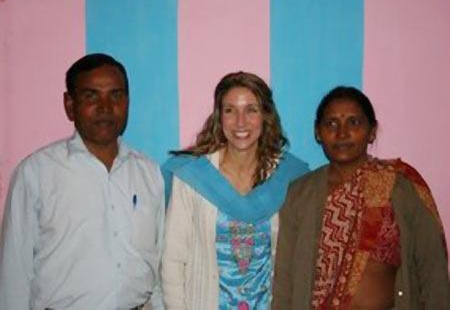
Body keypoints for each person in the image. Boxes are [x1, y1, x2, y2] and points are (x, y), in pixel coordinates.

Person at [0, 53, 165, 310]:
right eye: (91, 96)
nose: (105, 107)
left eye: (115, 95)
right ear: (69, 104)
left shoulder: (149, 172)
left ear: (127, 102)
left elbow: (158, 265)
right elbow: (14, 273)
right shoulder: (36, 173)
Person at [272, 86, 450, 309]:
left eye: (354, 122)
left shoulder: (401, 187)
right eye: (331, 123)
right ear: (318, 132)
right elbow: (285, 277)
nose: (342, 133)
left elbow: (432, 266)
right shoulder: (300, 193)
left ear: (372, 131)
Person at [161, 71, 309, 310]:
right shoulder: (193, 177)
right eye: (230, 110)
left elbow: (295, 263)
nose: (241, 122)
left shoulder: (289, 178)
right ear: (220, 117)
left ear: (265, 116)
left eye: (251, 109)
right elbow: (172, 260)